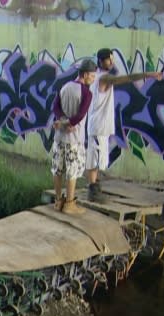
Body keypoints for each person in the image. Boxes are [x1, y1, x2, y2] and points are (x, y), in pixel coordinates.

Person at [86, 48, 164, 202]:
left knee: (98, 158)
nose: (112, 62)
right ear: (102, 61)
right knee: (94, 159)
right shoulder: (103, 78)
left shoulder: (99, 77)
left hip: (100, 126)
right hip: (98, 126)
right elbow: (127, 78)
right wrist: (148, 74)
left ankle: (95, 187)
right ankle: (92, 190)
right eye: (110, 59)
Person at [50, 59, 97, 215]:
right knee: (73, 170)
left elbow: (55, 107)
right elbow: (81, 114)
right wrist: (69, 123)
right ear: (85, 75)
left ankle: (58, 201)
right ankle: (70, 203)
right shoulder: (87, 93)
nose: (94, 78)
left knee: (57, 169)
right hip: (74, 139)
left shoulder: (65, 86)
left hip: (59, 138)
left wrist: (62, 121)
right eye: (92, 75)